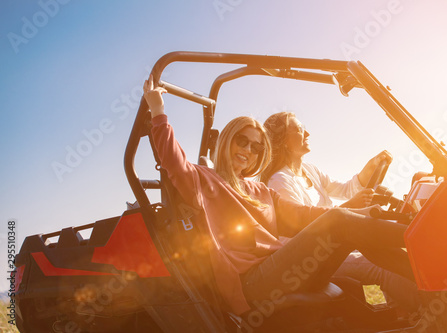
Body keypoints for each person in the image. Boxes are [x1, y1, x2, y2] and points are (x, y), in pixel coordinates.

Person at [143, 75, 414, 317]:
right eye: (243, 141)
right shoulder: (203, 179)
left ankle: (429, 273)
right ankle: (422, 237)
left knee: (350, 249)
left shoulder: (261, 190)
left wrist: (362, 214)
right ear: (227, 140)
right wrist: (157, 109)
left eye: (257, 147)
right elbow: (172, 160)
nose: (248, 150)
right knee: (339, 221)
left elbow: (303, 215)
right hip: (253, 281)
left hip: (284, 268)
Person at [261, 111, 419, 312]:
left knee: (383, 251)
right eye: (300, 130)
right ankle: (428, 312)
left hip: (333, 245)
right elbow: (303, 231)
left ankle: (398, 310)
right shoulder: (279, 182)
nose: (307, 133)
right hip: (312, 258)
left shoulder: (310, 170)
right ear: (284, 141)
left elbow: (346, 190)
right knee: (380, 269)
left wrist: (369, 169)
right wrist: (352, 207)